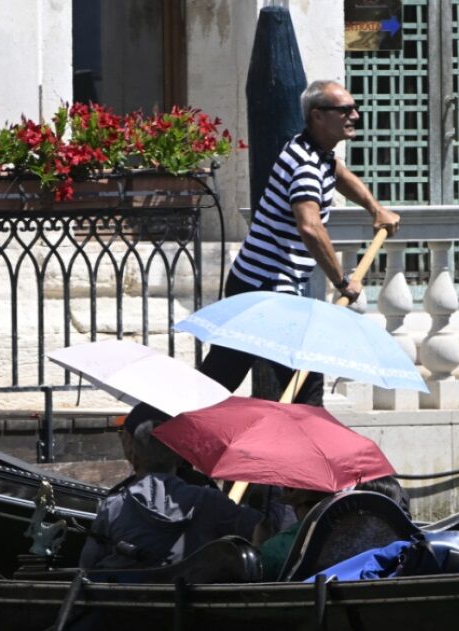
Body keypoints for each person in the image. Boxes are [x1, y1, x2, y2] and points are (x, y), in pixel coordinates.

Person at [199, 79, 400, 406]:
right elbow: (310, 226)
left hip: (259, 285)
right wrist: (342, 280)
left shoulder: (316, 152)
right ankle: (156, 429)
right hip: (265, 288)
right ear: (318, 116)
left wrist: (374, 208)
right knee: (304, 377)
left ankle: (155, 429)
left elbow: (339, 173)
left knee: (223, 376)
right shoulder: (305, 164)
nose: (355, 115)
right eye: (345, 110)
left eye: (354, 107)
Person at [78, 419, 264, 569]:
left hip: (126, 602)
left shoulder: (113, 506)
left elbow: (88, 565)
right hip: (190, 604)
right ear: (179, 458)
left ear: (134, 458)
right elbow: (261, 526)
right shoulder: (209, 500)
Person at [256, 487, 327, 581]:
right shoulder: (346, 534)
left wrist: (258, 542)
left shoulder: (276, 546)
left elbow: (255, 574)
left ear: (297, 506)